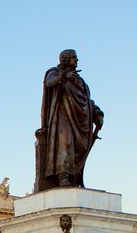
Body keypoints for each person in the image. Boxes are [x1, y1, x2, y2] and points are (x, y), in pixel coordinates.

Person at [35, 49, 103, 191]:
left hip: (81, 121)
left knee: (77, 148)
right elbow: (49, 83)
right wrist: (64, 76)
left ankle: (75, 176)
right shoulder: (54, 72)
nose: (77, 60)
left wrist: (97, 113)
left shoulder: (81, 82)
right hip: (62, 117)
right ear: (65, 59)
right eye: (74, 58)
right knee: (65, 143)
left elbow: (87, 101)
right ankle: (63, 175)